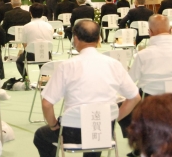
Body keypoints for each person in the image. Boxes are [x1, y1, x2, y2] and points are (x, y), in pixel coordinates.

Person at [33, 20, 141, 157]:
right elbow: (135, 97)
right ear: (99, 38)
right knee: (96, 131)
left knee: (40, 136)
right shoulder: (114, 64)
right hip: (102, 130)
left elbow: (46, 103)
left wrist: (54, 125)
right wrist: (114, 118)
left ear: (75, 39)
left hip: (72, 133)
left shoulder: (67, 66)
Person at [117, 15, 172, 141]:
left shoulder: (143, 55)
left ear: (150, 32)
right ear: (170, 30)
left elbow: (129, 83)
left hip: (149, 104)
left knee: (122, 105)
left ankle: (139, 143)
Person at [16, 3, 53, 79]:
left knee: (19, 61)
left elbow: (25, 45)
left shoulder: (26, 27)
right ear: (42, 13)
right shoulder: (49, 26)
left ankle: (26, 79)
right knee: (42, 50)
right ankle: (44, 78)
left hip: (30, 56)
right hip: (46, 55)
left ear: (30, 13)